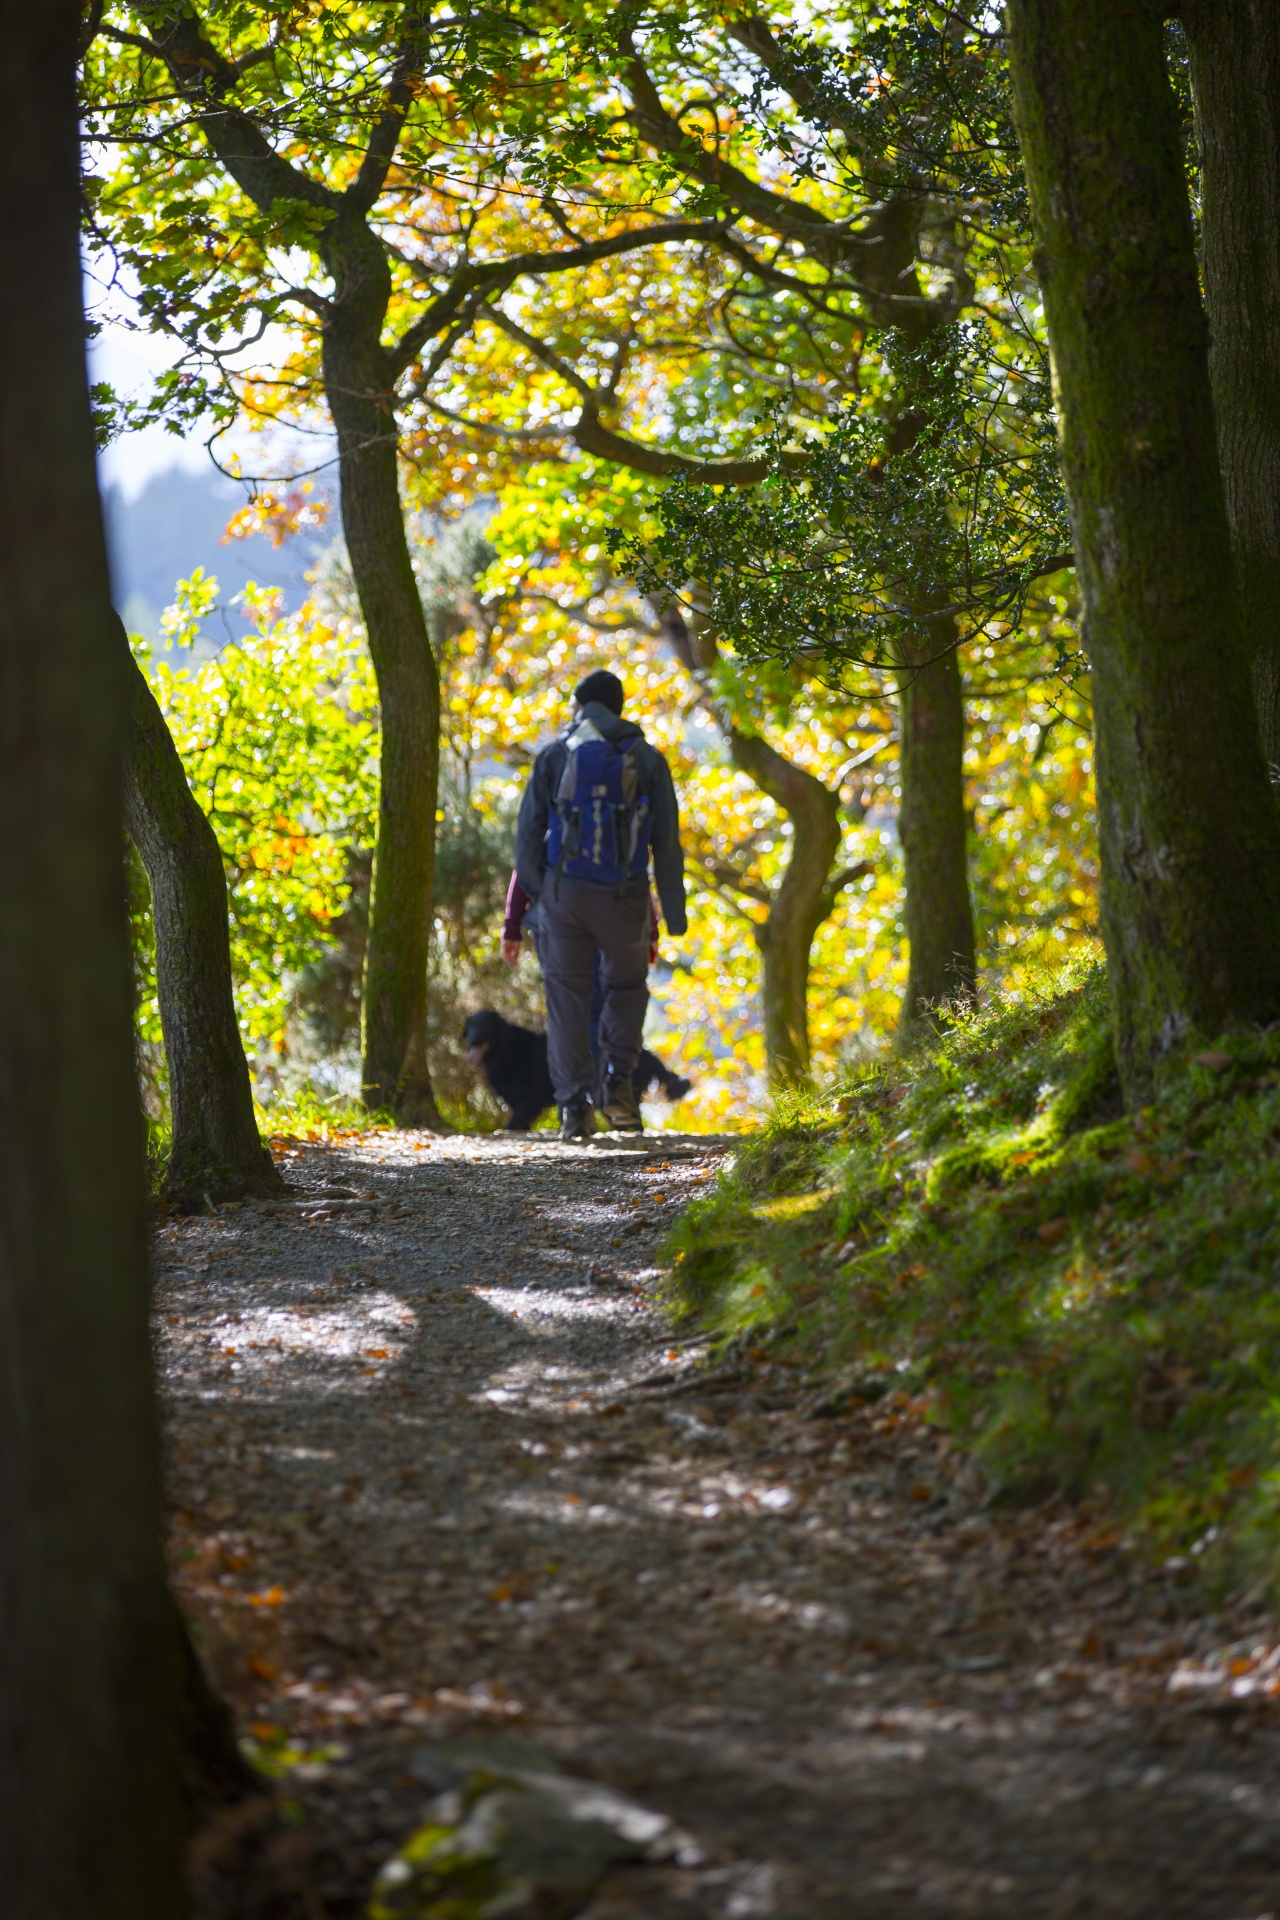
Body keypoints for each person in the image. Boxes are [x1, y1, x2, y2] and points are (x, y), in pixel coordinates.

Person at [513, 669, 687, 1139]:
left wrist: (541, 895)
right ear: (620, 707)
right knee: (626, 989)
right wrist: (673, 912)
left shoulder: (554, 755)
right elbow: (666, 843)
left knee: (567, 1000)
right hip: (624, 896)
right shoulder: (647, 758)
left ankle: (573, 1107)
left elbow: (527, 835)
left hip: (564, 897)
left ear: (578, 704)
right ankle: (617, 1087)